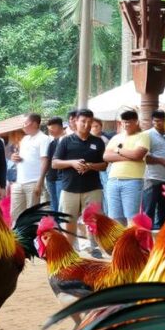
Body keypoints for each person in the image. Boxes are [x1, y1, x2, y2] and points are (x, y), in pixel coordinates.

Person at [53, 109, 107, 255]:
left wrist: (90, 166)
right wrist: (72, 163)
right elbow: (55, 163)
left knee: (94, 222)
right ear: (75, 122)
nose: (86, 125)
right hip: (69, 188)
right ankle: (68, 253)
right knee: (68, 223)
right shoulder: (65, 141)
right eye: (83, 121)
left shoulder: (97, 142)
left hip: (93, 188)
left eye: (90, 122)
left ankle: (94, 248)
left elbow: (104, 165)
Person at [102, 110, 150, 224]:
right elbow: (106, 156)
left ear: (136, 122)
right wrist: (130, 156)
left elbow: (137, 155)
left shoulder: (143, 136)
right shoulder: (116, 138)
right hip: (113, 180)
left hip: (132, 181)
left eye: (129, 122)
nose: (126, 125)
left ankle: (132, 241)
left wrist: (118, 150)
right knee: (115, 217)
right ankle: (119, 242)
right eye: (124, 122)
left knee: (132, 217)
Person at [8, 114, 51, 216]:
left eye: (26, 123)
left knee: (32, 215)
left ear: (35, 124)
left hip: (33, 182)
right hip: (19, 182)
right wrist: (14, 157)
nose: (23, 126)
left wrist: (40, 183)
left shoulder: (44, 138)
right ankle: (17, 232)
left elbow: (45, 161)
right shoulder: (24, 139)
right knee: (15, 214)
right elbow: (21, 157)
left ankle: (31, 232)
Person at [143, 110, 165, 229]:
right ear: (152, 121)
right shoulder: (147, 135)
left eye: (160, 120)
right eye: (155, 121)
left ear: (164, 120)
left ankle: (162, 242)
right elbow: (145, 158)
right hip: (151, 178)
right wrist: (162, 161)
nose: (157, 123)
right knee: (148, 211)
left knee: (164, 212)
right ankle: (146, 241)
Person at [39, 117, 66, 213]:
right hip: (50, 177)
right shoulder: (51, 143)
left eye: (51, 129)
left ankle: (61, 226)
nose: (49, 132)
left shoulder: (66, 141)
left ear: (59, 128)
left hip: (61, 178)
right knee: (54, 205)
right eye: (48, 129)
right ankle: (56, 226)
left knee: (61, 206)